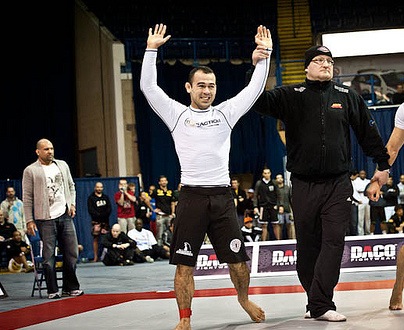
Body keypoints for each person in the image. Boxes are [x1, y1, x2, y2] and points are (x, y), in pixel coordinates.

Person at [140, 23, 270, 328]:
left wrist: (264, 57)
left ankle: (244, 299)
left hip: (223, 197)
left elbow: (254, 90)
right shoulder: (176, 114)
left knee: (238, 261)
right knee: (184, 265)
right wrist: (151, 50)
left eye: (211, 86)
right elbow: (148, 87)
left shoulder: (225, 113)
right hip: (191, 198)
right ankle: (184, 318)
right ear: (189, 88)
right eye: (201, 85)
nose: (207, 91)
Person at [249, 45, 391, 321]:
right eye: (319, 60)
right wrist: (258, 67)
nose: (325, 64)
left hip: (338, 182)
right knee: (308, 245)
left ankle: (322, 303)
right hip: (303, 184)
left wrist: (383, 164)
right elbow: (256, 101)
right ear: (306, 67)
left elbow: (367, 131)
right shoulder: (291, 95)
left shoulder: (347, 96)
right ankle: (314, 300)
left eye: (329, 60)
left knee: (335, 241)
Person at [22, 138, 83, 299]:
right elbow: (27, 197)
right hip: (45, 219)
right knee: (49, 257)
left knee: (72, 253)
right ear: (38, 151)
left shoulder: (62, 165)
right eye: (46, 149)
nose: (50, 151)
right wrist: (29, 220)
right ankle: (52, 290)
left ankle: (71, 287)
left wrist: (72, 204)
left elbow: (71, 186)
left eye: (52, 148)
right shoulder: (31, 170)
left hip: (65, 215)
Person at [87, 181, 112, 262]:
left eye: (101, 187)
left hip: (105, 221)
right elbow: (91, 210)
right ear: (95, 188)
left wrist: (104, 215)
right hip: (96, 222)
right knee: (95, 239)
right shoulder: (91, 198)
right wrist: (99, 216)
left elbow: (109, 209)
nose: (99, 189)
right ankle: (95, 257)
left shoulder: (106, 197)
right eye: (98, 187)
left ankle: (107, 256)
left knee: (107, 238)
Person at [253, 168, 278, 241]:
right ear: (263, 174)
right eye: (265, 173)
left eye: (268, 173)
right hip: (263, 206)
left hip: (273, 206)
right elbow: (255, 195)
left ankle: (278, 241)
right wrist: (255, 206)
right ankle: (264, 242)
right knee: (264, 225)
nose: (267, 174)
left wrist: (279, 205)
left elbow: (278, 194)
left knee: (275, 224)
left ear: (270, 173)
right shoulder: (259, 183)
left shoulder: (274, 182)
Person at [150, 175, 175, 245]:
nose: (163, 182)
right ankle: (159, 251)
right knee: (159, 235)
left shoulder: (170, 191)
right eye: (162, 181)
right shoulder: (156, 191)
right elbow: (147, 199)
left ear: (167, 182)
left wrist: (172, 213)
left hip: (169, 216)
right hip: (160, 216)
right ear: (159, 183)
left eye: (164, 181)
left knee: (171, 233)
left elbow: (172, 203)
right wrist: (153, 209)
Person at [274, 173, 295, 239]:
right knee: (279, 225)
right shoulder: (275, 189)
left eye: (280, 177)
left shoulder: (287, 188)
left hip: (287, 209)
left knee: (289, 225)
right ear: (276, 180)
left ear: (282, 179)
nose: (279, 179)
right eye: (278, 178)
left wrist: (292, 209)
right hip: (278, 210)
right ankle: (279, 240)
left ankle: (290, 239)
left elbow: (291, 198)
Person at [353, 170, 371, 235]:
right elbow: (356, 190)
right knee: (360, 218)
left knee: (368, 218)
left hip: (368, 200)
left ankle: (368, 232)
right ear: (359, 174)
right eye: (361, 174)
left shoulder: (368, 181)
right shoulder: (355, 181)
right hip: (360, 200)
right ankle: (360, 233)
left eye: (364, 174)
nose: (363, 175)